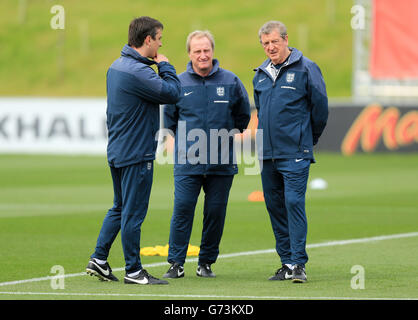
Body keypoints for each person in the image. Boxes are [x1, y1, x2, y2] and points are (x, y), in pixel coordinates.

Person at [86, 16, 181, 285]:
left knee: (119, 207)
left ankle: (99, 259)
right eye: (159, 38)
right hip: (136, 152)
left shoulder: (116, 66)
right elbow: (173, 93)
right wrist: (165, 66)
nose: (161, 44)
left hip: (117, 149)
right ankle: (134, 271)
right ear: (148, 39)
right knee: (133, 212)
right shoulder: (139, 72)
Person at [163, 30, 251, 278]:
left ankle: (206, 263)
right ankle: (176, 264)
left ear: (212, 51)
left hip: (221, 163)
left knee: (214, 213)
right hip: (187, 162)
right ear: (189, 54)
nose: (202, 55)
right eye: (197, 51)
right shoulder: (178, 83)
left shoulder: (231, 81)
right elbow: (169, 120)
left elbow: (243, 116)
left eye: (206, 50)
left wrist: (223, 138)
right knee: (182, 210)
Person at [253, 21, 328, 283]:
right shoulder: (260, 74)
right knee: (274, 206)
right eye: (265, 43)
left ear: (286, 40)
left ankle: (298, 264)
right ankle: (286, 262)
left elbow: (320, 108)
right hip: (267, 154)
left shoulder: (307, 68)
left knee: (293, 202)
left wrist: (309, 138)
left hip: (295, 151)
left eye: (274, 41)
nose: (270, 47)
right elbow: (261, 112)